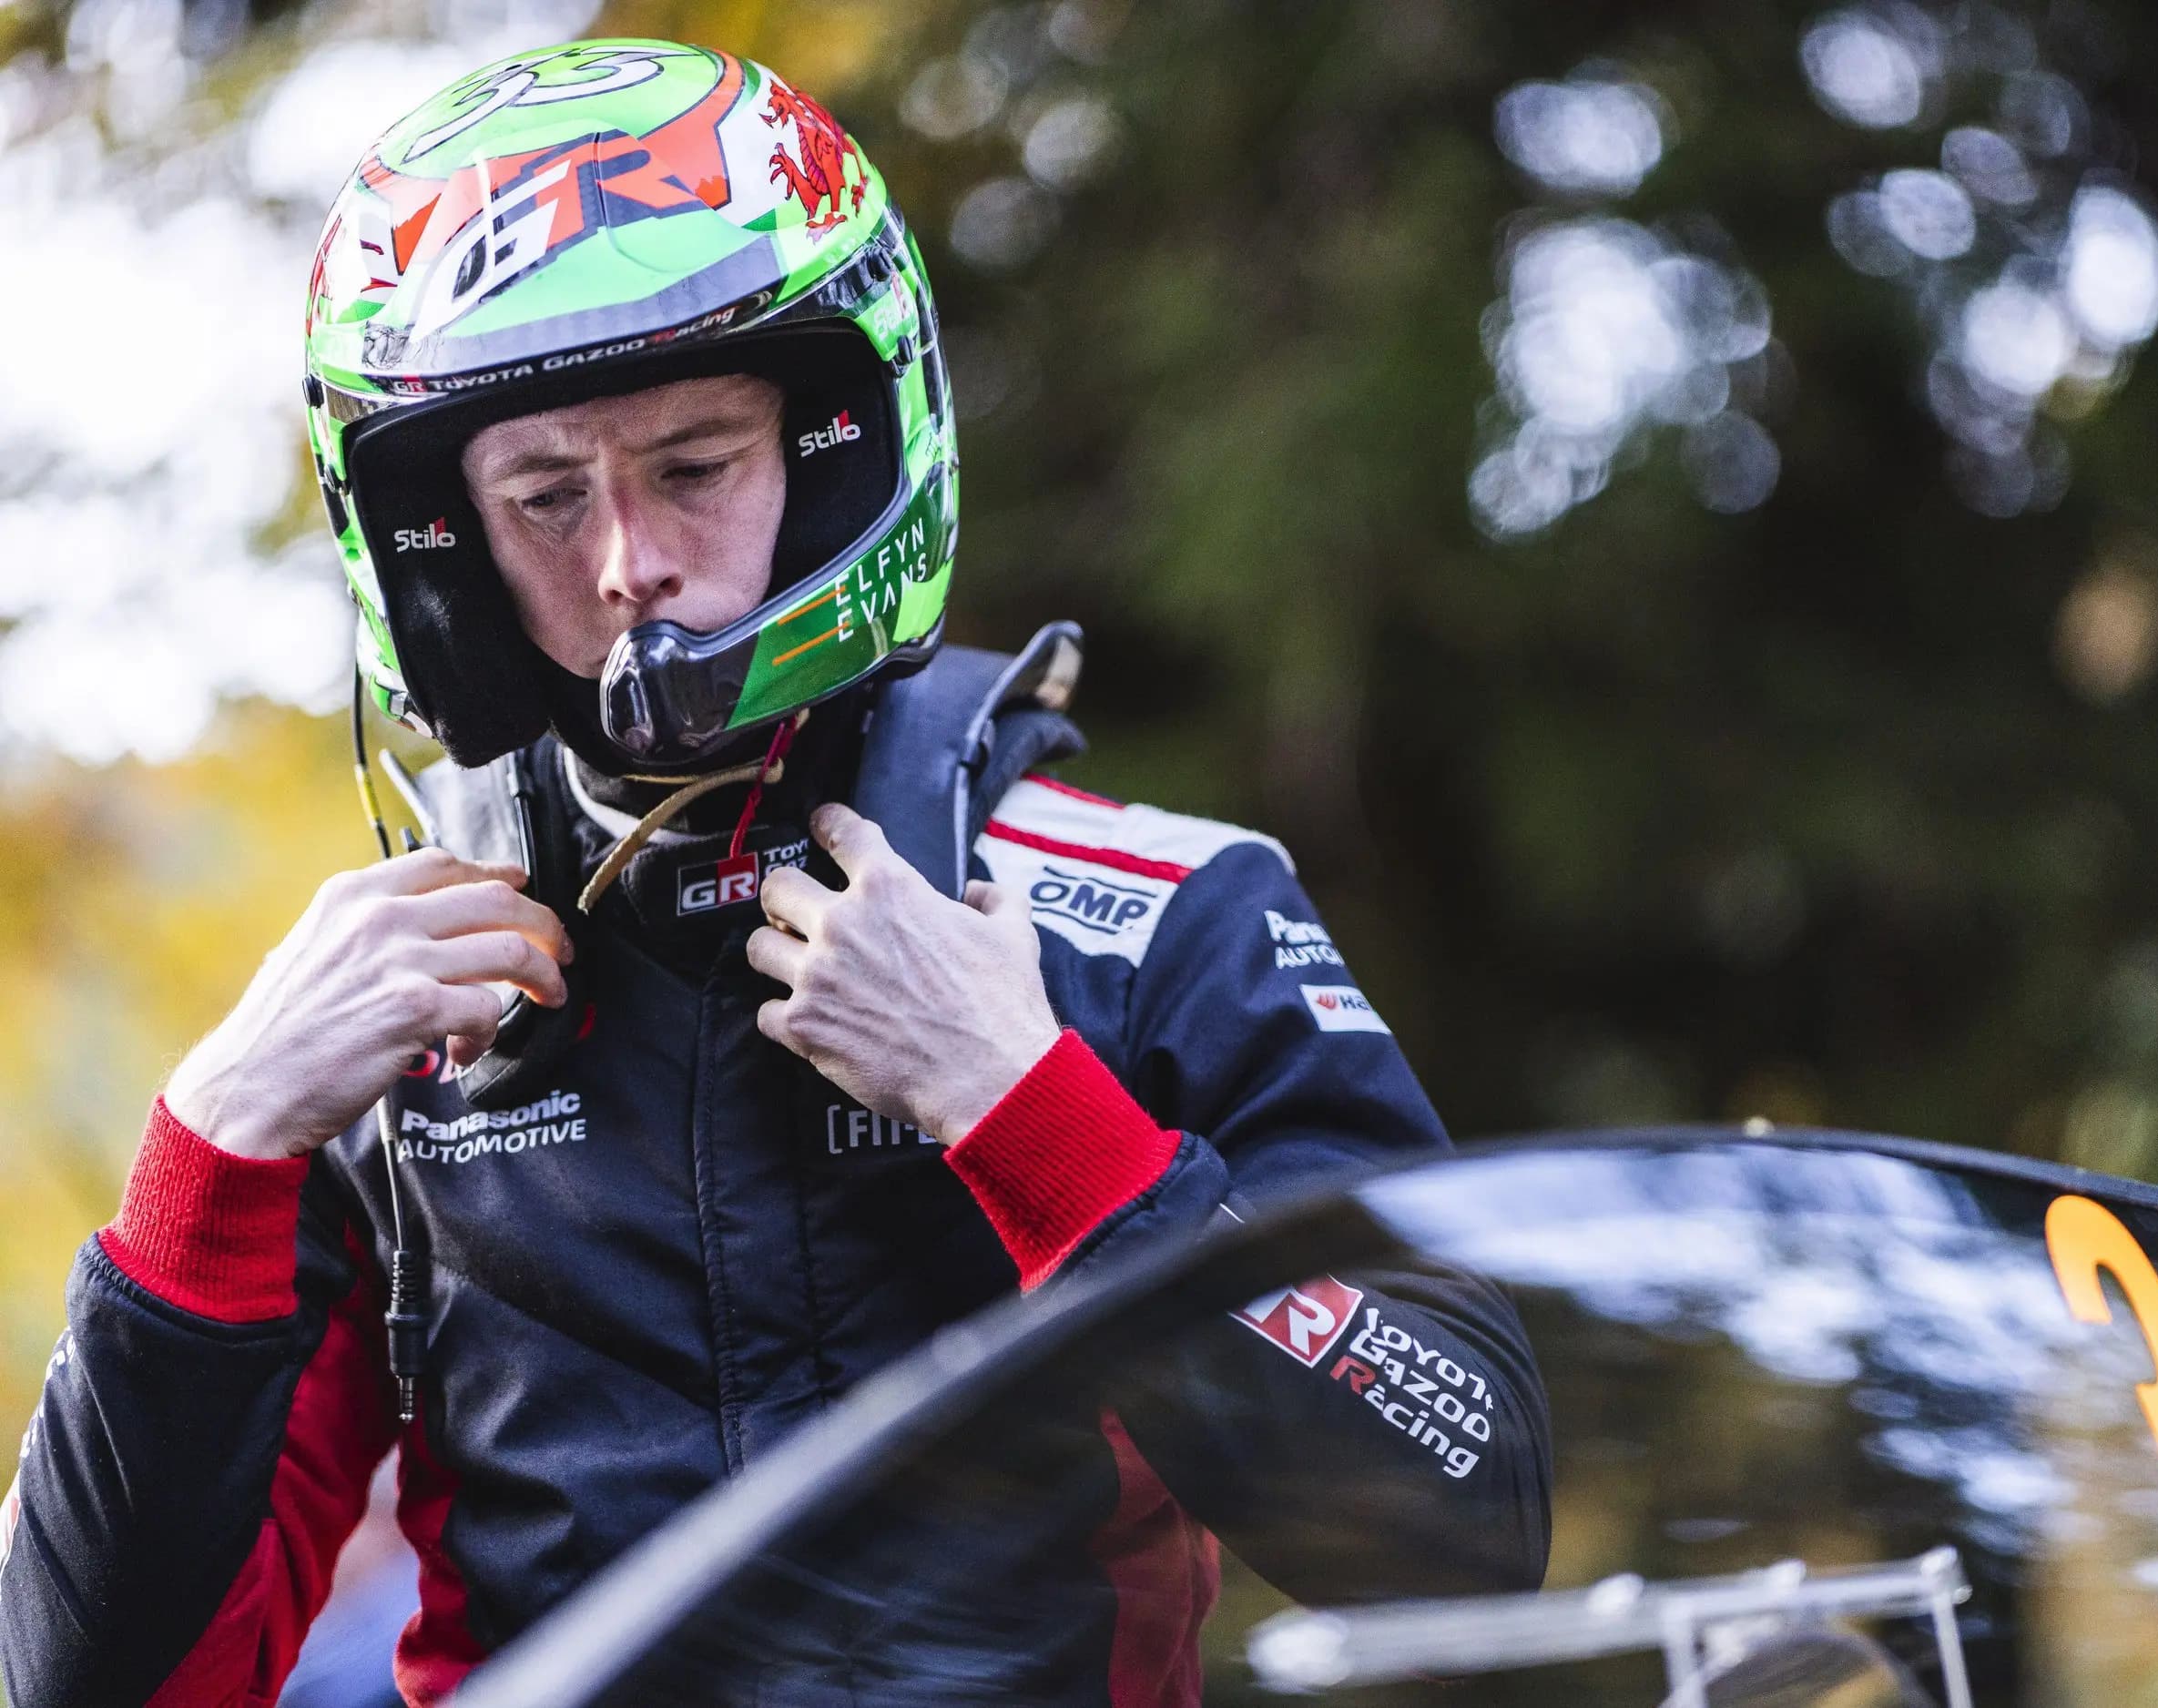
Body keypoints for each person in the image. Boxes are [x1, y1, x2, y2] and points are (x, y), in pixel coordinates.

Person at [0, 37, 1549, 1708]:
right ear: (437, 552)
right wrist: (210, 1154)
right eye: (541, 496)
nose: (629, 566)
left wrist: (1020, 1104)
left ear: (826, 451)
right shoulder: (387, 1017)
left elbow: (1457, 1522)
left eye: (690, 465)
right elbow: (84, 1683)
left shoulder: (1161, 916)